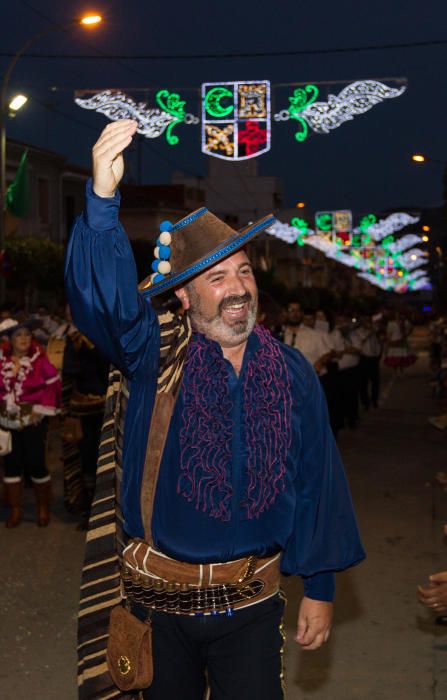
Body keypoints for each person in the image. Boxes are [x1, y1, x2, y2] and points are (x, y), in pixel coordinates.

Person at [65, 119, 365, 700]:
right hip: (159, 610)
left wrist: (321, 590)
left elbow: (316, 483)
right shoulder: (154, 355)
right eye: (217, 276)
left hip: (252, 607)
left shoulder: (293, 370)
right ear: (182, 294)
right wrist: (102, 203)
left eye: (244, 271)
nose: (238, 287)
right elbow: (102, 304)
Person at [0, 318, 61, 527]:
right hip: (7, 422)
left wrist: (41, 408)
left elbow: (53, 384)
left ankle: (42, 507)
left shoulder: (39, 360)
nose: (24, 338)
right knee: (11, 465)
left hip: (32, 421)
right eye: (18, 335)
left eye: (27, 334)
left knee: (36, 463)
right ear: (9, 340)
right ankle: (15, 510)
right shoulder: (2, 360)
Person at [358, 315, 382, 410]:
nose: (368, 323)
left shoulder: (375, 330)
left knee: (375, 381)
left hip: (374, 359)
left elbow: (381, 341)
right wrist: (371, 331)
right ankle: (365, 402)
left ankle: (374, 400)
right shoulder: (359, 331)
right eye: (366, 321)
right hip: (364, 358)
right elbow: (362, 340)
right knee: (363, 383)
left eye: (369, 321)